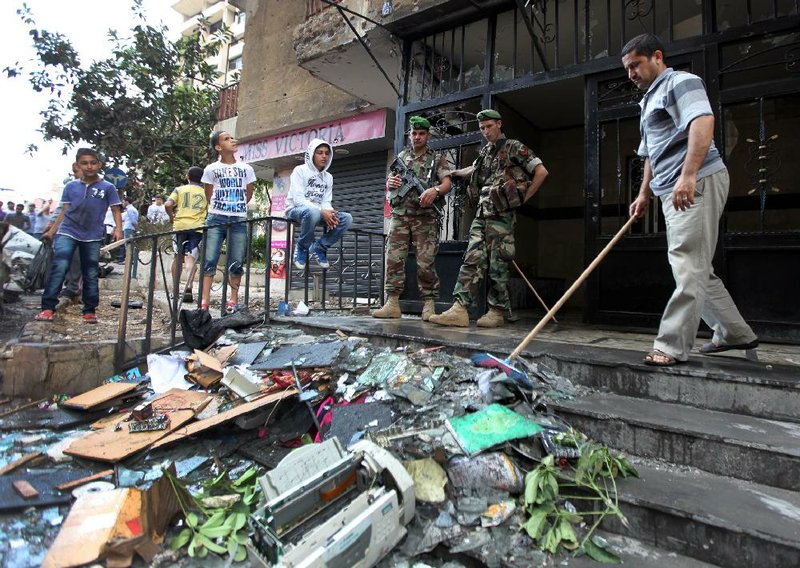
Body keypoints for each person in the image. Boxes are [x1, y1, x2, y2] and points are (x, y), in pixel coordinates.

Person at [622, 34, 758, 366]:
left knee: (687, 262)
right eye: (627, 69)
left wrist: (688, 174)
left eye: (635, 65)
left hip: (695, 181)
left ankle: (670, 346)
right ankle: (735, 334)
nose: (631, 74)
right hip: (670, 189)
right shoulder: (647, 102)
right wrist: (643, 194)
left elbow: (703, 121)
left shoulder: (681, 83)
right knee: (696, 266)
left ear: (657, 56)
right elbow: (651, 154)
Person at [430, 109, 548, 328]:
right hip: (482, 214)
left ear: (499, 124)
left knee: (498, 263)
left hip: (501, 215)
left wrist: (523, 199)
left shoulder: (514, 146)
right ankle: (460, 309)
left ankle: (496, 311)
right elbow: (473, 170)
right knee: (471, 258)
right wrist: (453, 174)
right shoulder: (485, 152)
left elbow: (541, 171)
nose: (485, 131)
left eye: (489, 126)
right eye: (482, 128)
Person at [372, 116, 452, 320]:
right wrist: (390, 184)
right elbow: (391, 185)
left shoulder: (436, 158)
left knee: (426, 262)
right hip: (400, 216)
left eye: (421, 133)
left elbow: (447, 184)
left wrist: (435, 190)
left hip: (424, 219)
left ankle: (429, 304)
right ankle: (392, 303)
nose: (417, 137)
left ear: (428, 135)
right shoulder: (402, 156)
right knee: (393, 259)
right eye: (414, 133)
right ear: (409, 135)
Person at [36, 148, 123, 323]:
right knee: (59, 267)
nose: (89, 166)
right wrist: (52, 232)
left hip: (92, 235)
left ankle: (89, 311)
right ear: (78, 165)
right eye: (84, 163)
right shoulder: (70, 187)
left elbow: (115, 209)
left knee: (90, 272)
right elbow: (64, 210)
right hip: (67, 231)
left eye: (93, 162)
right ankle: (47, 308)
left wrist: (118, 230)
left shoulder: (108, 187)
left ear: (99, 165)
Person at [200, 131, 256, 313]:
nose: (232, 141)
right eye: (227, 139)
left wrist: (236, 207)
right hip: (216, 217)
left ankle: (233, 299)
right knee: (209, 259)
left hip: (238, 218)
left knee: (236, 261)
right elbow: (208, 193)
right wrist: (220, 206)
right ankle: (205, 301)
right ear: (218, 147)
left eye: (232, 138)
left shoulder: (246, 168)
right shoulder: (211, 169)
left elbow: (249, 192)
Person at [285, 138, 353, 270]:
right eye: (320, 152)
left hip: (317, 212)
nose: (324, 156)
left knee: (346, 218)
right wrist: (322, 211)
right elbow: (298, 200)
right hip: (295, 210)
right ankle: (302, 247)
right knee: (313, 212)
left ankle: (319, 247)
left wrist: (330, 213)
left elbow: (326, 201)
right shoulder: (300, 170)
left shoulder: (328, 177)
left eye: (327, 153)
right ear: (312, 154)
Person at [165, 166, 207, 304]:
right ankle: (188, 288)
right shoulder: (206, 192)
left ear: (187, 177)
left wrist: (172, 217)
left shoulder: (179, 189)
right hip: (197, 228)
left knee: (178, 257)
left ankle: (175, 290)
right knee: (191, 258)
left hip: (180, 226)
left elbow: (168, 204)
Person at [118, 196, 139, 268]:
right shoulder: (131, 209)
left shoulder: (130, 209)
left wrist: (136, 227)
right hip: (128, 227)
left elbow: (133, 220)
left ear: (127, 202)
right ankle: (129, 259)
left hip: (129, 228)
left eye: (124, 202)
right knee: (128, 244)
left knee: (128, 244)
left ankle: (130, 259)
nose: (123, 203)